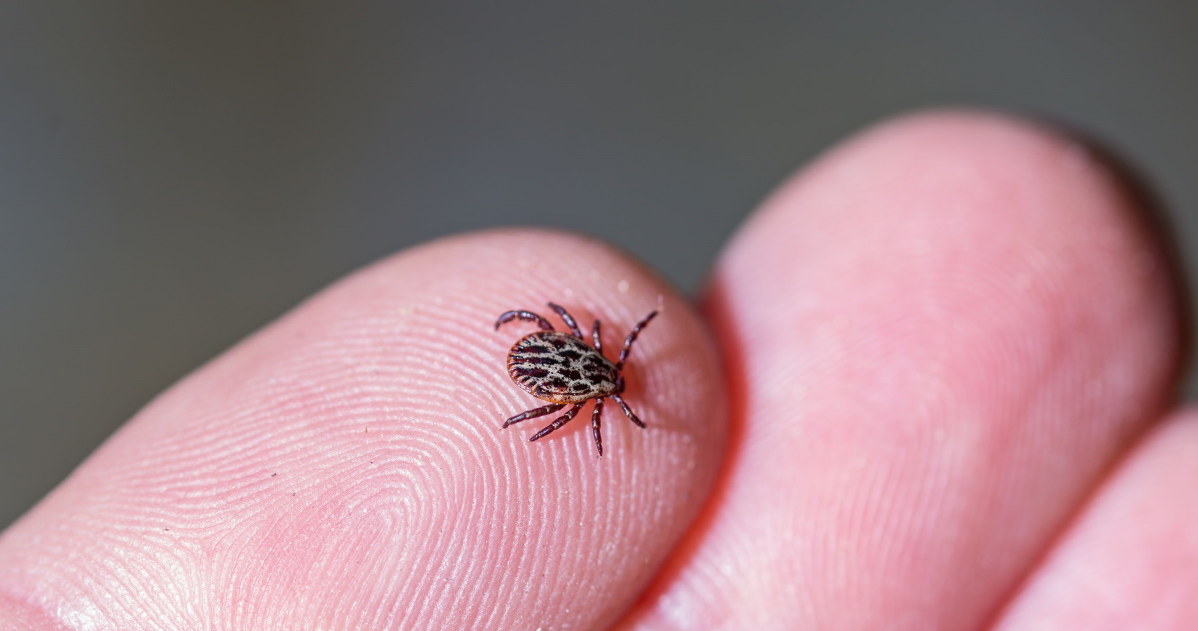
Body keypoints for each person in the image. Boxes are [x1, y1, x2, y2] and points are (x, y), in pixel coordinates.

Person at [0, 111, 1192, 630]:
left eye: (600, 378)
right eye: (600, 379)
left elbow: (549, 359)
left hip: (536, 352)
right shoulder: (588, 383)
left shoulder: (581, 383)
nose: (606, 378)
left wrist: (563, 377)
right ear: (588, 384)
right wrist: (567, 377)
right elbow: (553, 363)